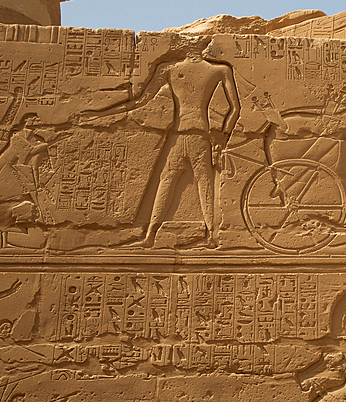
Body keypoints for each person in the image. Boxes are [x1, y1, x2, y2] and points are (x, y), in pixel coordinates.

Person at [83, 36, 240, 246]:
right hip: (198, 134)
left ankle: (152, 235)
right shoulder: (218, 70)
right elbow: (235, 109)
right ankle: (208, 236)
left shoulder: (171, 68)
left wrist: (100, 114)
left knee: (168, 183)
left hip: (181, 134)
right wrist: (222, 135)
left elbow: (139, 101)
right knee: (201, 184)